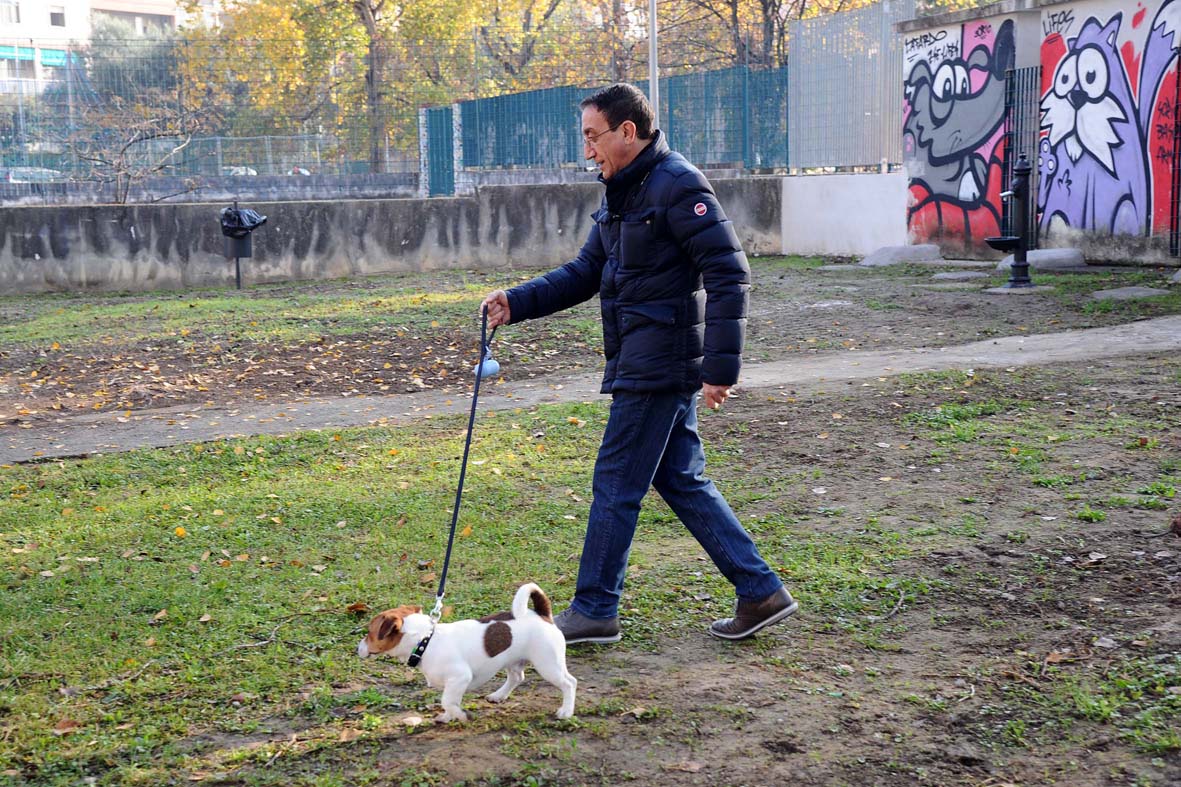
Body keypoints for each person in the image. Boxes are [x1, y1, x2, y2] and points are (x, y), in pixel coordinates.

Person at [481, 83, 796, 644]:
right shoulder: (622, 193)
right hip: (643, 357)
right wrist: (517, 300)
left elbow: (728, 272)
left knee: (616, 482)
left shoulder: (678, 184)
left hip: (660, 362)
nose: (587, 151)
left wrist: (721, 366)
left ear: (628, 131)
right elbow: (584, 271)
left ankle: (596, 607)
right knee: (680, 480)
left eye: (592, 137)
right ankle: (760, 591)